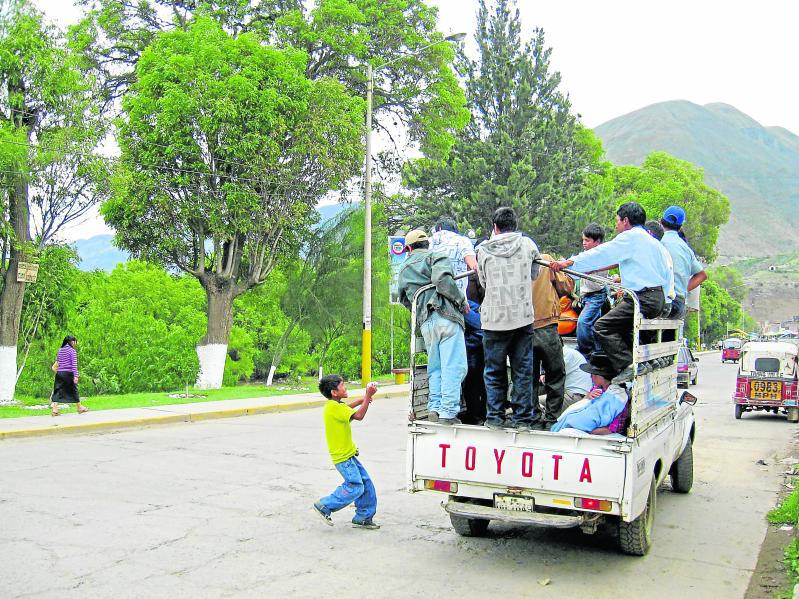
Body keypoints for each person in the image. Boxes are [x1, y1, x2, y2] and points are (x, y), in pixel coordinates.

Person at [550, 202, 674, 380]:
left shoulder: (631, 237)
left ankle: (627, 365)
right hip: (658, 297)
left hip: (642, 298)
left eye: (617, 221)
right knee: (622, 328)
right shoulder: (653, 243)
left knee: (602, 326)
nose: (616, 225)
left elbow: (601, 252)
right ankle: (640, 361)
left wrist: (569, 263)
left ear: (625, 220)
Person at [478, 207, 542, 431]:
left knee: (494, 370)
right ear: (514, 225)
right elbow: (535, 274)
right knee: (522, 370)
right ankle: (522, 420)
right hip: (522, 317)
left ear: (495, 227)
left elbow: (483, 282)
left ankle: (495, 418)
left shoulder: (483, 250)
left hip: (494, 319)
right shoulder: (528, 245)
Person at [397, 229, 469, 425]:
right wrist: (461, 301)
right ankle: (448, 412)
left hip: (426, 323)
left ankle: (434, 408)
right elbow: (442, 280)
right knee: (454, 365)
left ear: (408, 248)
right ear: (427, 245)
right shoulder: (436, 256)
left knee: (435, 367)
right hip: (446, 316)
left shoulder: (403, 268)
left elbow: (403, 298)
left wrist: (420, 310)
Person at [313, 375, 380, 529]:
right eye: (343, 385)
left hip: (348, 455)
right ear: (334, 392)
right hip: (343, 458)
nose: (346, 387)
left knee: (366, 484)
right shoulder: (334, 407)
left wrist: (363, 400)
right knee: (356, 486)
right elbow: (359, 416)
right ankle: (324, 505)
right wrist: (368, 396)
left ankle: (363, 517)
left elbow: (348, 409)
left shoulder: (335, 406)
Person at [532, 253, 574, 428]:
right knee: (555, 374)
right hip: (547, 323)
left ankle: (531, 418)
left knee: (527, 377)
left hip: (521, 327)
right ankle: (551, 419)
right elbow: (566, 287)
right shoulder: (545, 260)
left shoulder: (513, 261)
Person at [550, 353, 629, 435]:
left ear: (601, 376)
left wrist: (583, 429)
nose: (591, 377)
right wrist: (587, 398)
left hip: (602, 435)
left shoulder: (618, 398)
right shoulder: (597, 389)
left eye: (593, 374)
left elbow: (612, 429)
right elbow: (583, 407)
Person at [660, 206, 707, 320]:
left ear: (660, 222)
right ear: (680, 226)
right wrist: (682, 289)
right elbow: (702, 275)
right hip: (678, 304)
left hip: (661, 302)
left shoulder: (658, 242)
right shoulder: (685, 248)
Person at [575, 224, 608, 358]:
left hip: (596, 294)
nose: (584, 243)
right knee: (594, 325)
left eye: (587, 240)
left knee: (583, 323)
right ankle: (598, 351)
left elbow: (585, 268)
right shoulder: (585, 255)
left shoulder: (601, 256)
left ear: (597, 241)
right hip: (587, 295)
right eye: (583, 240)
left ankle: (585, 350)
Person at [460, 273, 487, 424]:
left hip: (475, 329)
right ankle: (478, 414)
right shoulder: (472, 274)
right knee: (475, 379)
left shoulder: (474, 275)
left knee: (474, 379)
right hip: (476, 329)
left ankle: (478, 415)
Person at [430, 216, 478, 299]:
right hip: (457, 297)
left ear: (439, 228)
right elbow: (474, 265)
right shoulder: (462, 241)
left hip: (430, 296)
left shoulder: (428, 241)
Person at [50, 336, 88, 416]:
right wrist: (76, 376)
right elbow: (74, 365)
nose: (75, 344)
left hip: (59, 373)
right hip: (68, 373)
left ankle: (55, 410)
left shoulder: (60, 350)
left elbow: (58, 362)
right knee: (74, 391)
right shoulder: (72, 351)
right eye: (74, 342)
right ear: (70, 342)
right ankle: (80, 407)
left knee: (58, 391)